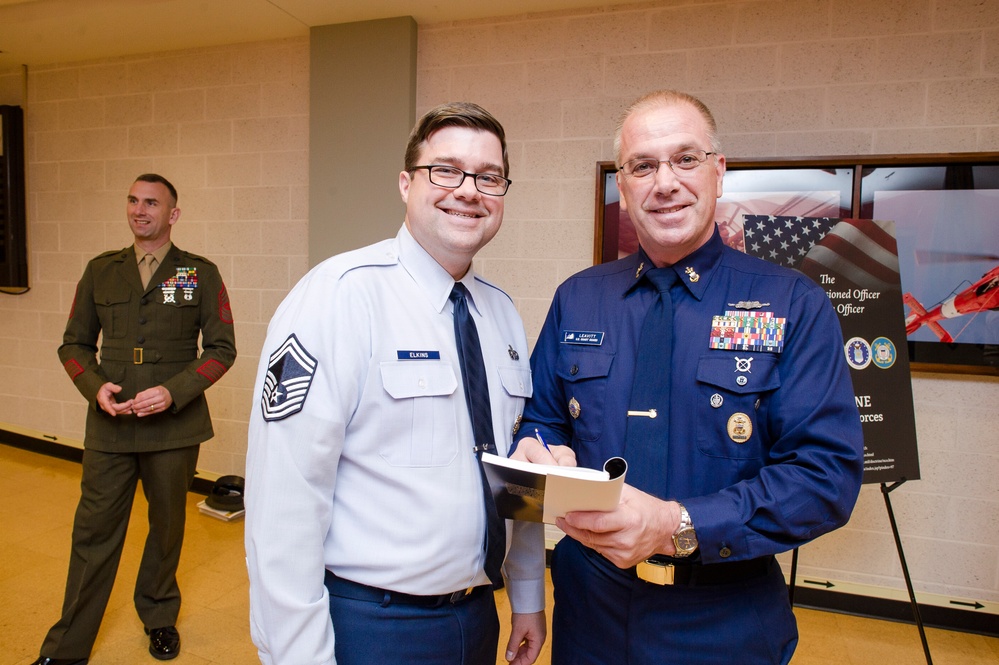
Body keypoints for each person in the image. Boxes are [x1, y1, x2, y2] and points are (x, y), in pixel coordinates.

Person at [513, 90, 864, 664]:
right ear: (623, 190)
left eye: (685, 159)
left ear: (718, 172)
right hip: (588, 612)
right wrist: (537, 450)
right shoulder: (579, 299)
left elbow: (825, 478)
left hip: (725, 620)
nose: (665, 182)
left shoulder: (790, 304)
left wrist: (676, 525)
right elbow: (544, 420)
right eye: (643, 166)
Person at [244, 102, 546, 665]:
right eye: (446, 170)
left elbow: (516, 475)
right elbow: (283, 501)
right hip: (371, 624)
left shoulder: (501, 313)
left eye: (489, 176)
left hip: (476, 615)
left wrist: (528, 595)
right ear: (406, 183)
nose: (468, 189)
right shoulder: (338, 296)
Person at [33, 174, 237, 665]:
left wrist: (173, 391)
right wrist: (92, 384)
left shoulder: (197, 274)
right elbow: (73, 344)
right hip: (111, 424)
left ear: (173, 214)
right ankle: (66, 649)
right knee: (93, 534)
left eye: (151, 202)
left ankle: (159, 615)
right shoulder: (102, 270)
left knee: (166, 529)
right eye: (132, 200)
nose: (139, 210)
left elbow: (222, 349)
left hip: (174, 429)